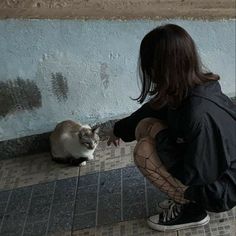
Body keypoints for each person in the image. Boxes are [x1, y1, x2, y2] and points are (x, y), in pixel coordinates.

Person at [106, 24, 236, 232]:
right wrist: (118, 129)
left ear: (158, 67)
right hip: (212, 172)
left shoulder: (199, 112)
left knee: (144, 151)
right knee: (145, 125)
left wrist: (162, 136)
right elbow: (150, 111)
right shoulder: (186, 88)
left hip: (221, 190)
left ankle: (192, 210)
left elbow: (196, 175)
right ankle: (186, 199)